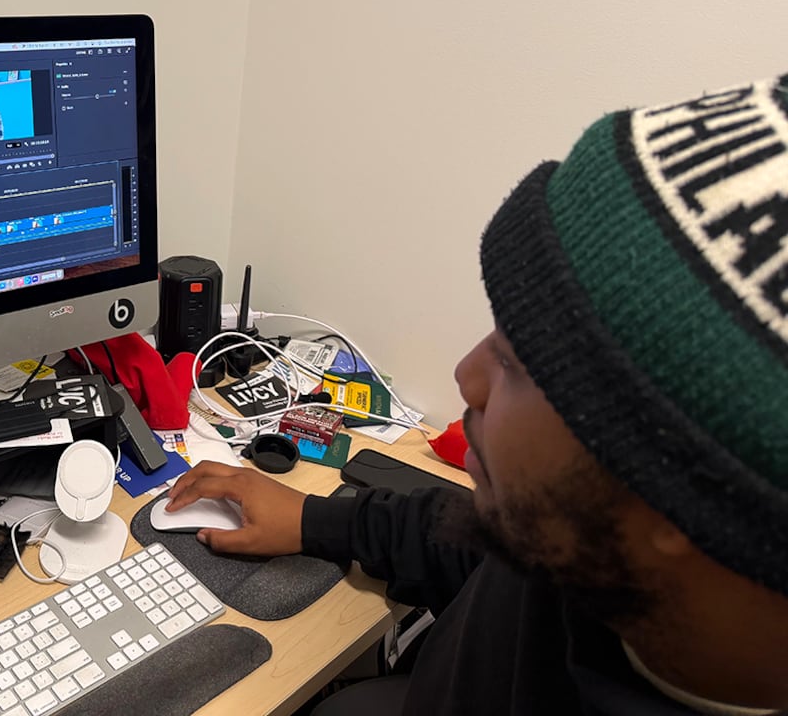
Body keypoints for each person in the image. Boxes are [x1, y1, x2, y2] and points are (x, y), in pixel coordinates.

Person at [167, 74, 788, 715]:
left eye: (520, 363)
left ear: (677, 500)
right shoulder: (577, 549)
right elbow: (487, 547)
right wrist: (312, 520)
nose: (467, 376)